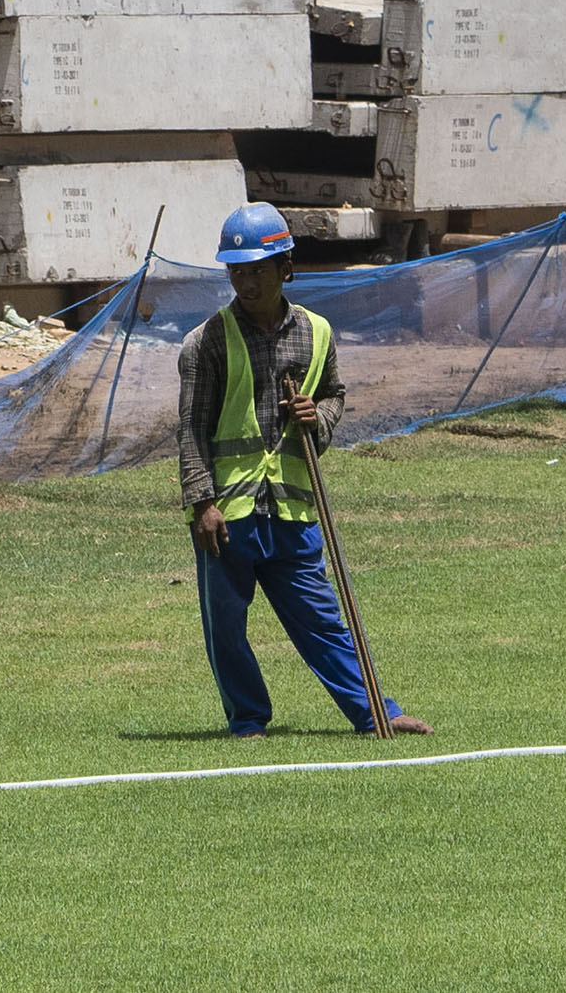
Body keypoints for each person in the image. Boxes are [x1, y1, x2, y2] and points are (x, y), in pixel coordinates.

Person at [179, 204, 427, 740]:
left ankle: (375, 713)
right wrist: (202, 502)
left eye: (257, 269)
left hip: (292, 507)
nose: (245, 281)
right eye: (236, 271)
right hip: (231, 510)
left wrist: (319, 416)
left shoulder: (318, 334)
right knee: (226, 626)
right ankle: (247, 720)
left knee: (322, 622)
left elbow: (335, 398)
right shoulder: (207, 342)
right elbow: (192, 428)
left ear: (286, 268)